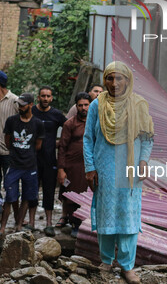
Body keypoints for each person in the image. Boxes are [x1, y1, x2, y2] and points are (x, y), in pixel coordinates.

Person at [84, 61, 154, 284]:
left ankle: (127, 266)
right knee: (106, 213)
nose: (114, 83)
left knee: (128, 214)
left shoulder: (138, 104)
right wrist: (90, 167)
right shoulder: (97, 105)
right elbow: (88, 138)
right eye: (110, 78)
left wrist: (143, 161)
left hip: (129, 168)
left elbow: (146, 138)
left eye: (119, 78)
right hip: (104, 168)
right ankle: (106, 260)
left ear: (128, 79)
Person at [0, 94, 45, 241]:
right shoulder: (11, 121)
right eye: (19, 104)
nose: (20, 107)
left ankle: (19, 225)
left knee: (27, 197)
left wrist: (25, 151)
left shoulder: (38, 123)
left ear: (31, 105)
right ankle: (2, 228)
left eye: (23, 105)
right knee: (9, 196)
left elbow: (38, 145)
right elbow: (7, 142)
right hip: (14, 164)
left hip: (30, 166)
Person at [32, 86, 67, 236]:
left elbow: (68, 127)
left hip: (50, 159)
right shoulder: (32, 112)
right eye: (43, 96)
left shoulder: (56, 115)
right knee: (32, 190)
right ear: (38, 97)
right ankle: (31, 222)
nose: (45, 99)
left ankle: (48, 223)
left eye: (48, 96)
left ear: (51, 98)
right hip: (32, 158)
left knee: (49, 190)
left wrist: (59, 143)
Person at [57, 92, 91, 238]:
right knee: (72, 195)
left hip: (90, 166)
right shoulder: (70, 124)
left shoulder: (96, 122)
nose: (83, 108)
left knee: (89, 195)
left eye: (86, 105)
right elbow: (62, 147)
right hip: (72, 166)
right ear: (76, 107)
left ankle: (88, 226)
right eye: (80, 105)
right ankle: (75, 225)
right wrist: (61, 169)